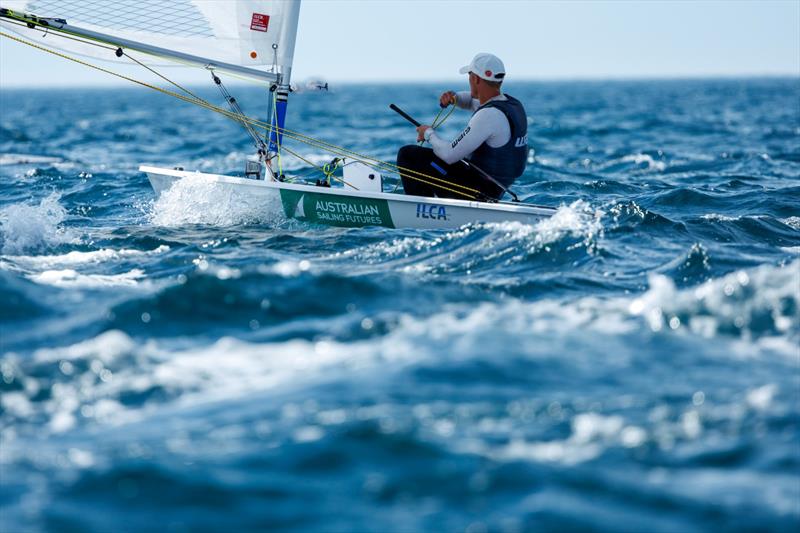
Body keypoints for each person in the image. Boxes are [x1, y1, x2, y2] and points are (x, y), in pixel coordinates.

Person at [396, 53, 529, 201]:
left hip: (476, 191)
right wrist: (455, 98)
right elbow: (472, 102)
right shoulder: (512, 105)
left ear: (475, 78)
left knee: (408, 155)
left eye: (469, 75)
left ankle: (420, 212)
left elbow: (449, 155)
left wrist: (428, 134)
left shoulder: (488, 115)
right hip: (495, 188)